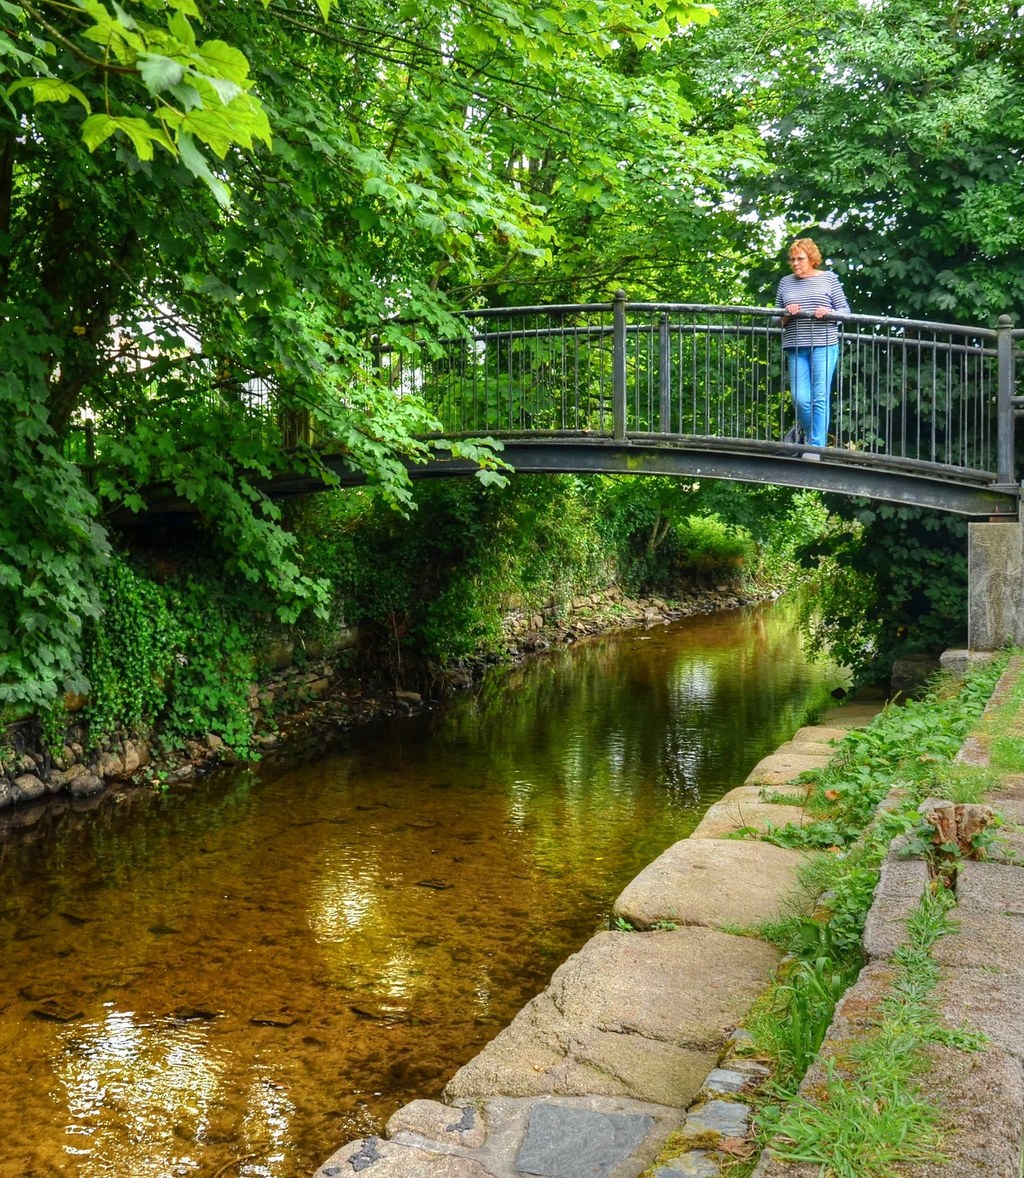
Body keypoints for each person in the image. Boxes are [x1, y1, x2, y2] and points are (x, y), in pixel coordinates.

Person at [774, 237, 850, 458]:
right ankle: (811, 436)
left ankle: (815, 447)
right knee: (800, 398)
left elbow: (845, 311)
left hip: (824, 345)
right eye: (792, 259)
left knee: (820, 397)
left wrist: (829, 313)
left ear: (812, 258)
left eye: (800, 259)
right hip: (796, 347)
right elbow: (774, 320)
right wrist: (785, 314)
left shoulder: (828, 279)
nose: (795, 263)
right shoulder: (785, 283)